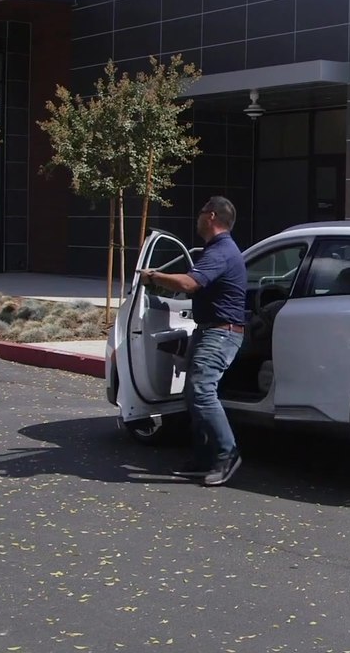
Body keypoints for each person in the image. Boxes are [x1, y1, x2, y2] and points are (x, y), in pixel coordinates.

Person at [139, 196, 246, 486]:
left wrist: (153, 277)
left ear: (210, 216)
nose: (196, 218)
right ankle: (204, 458)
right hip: (211, 329)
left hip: (221, 333)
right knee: (194, 394)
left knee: (201, 391)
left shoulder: (221, 251)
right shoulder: (217, 250)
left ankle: (227, 454)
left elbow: (190, 283)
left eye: (200, 213)